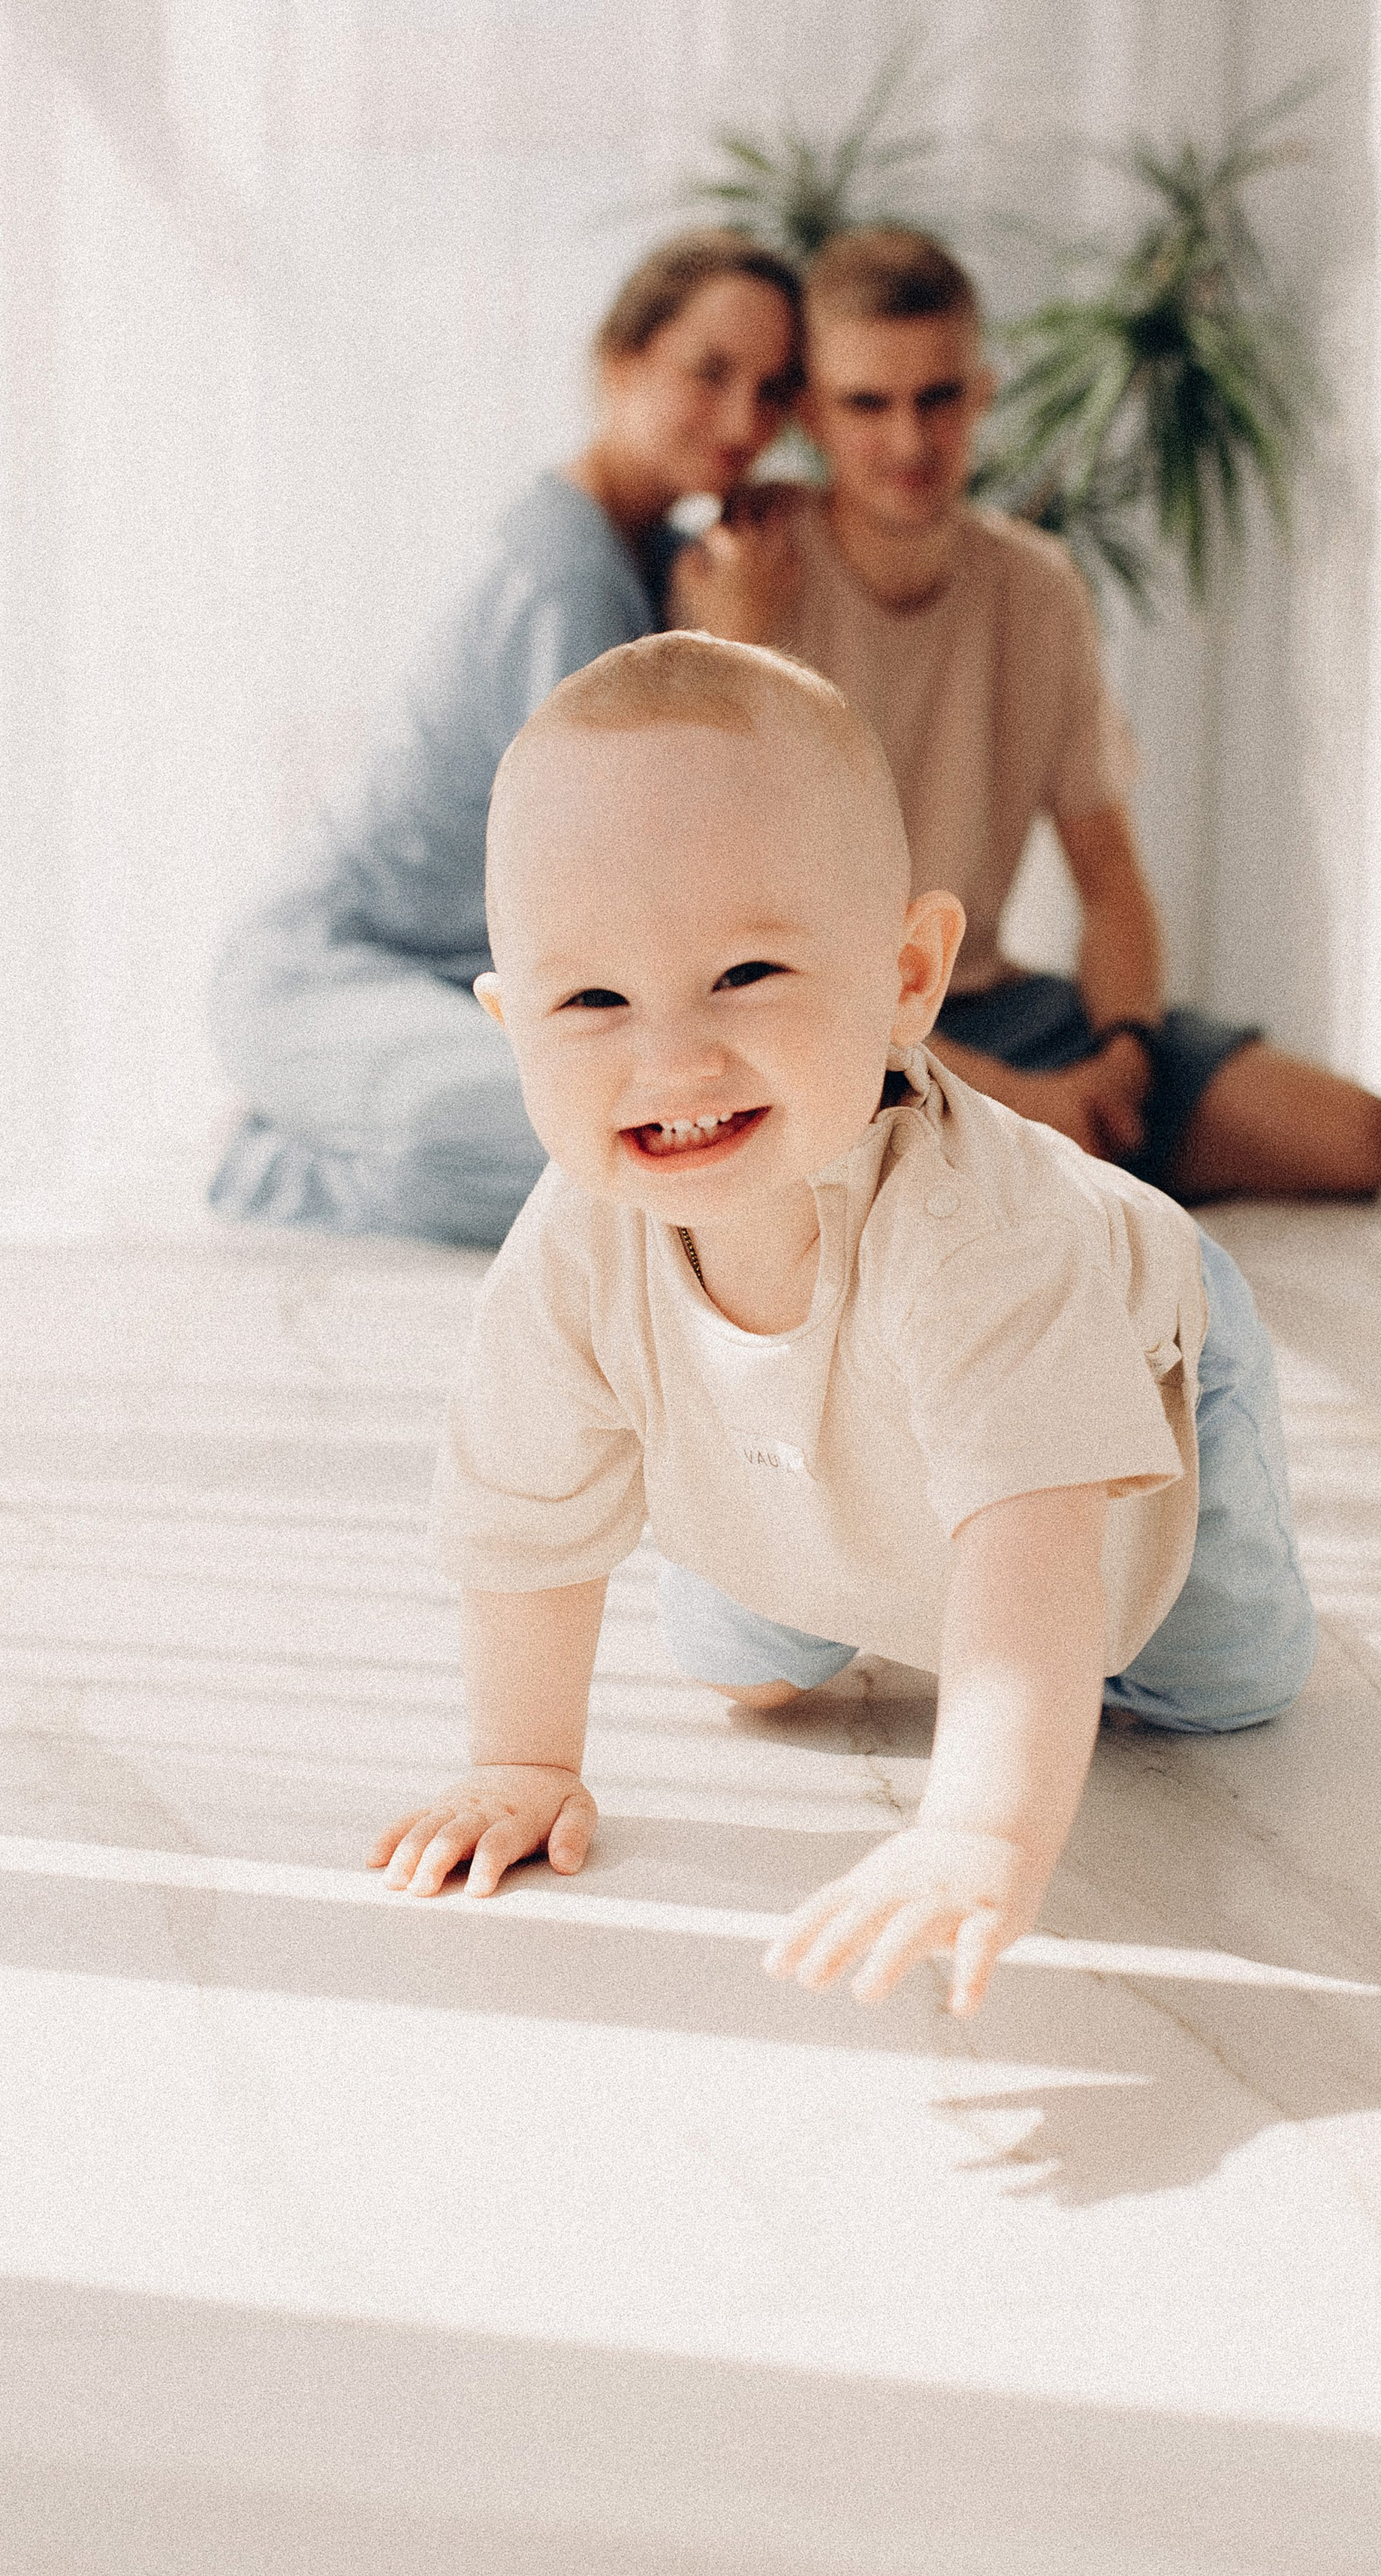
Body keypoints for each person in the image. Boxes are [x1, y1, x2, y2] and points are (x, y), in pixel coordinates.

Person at [372, 632, 1315, 2018]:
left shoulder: (977, 1236)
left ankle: (1155, 1569)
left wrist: (977, 1831)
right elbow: (524, 1516)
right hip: (822, 1445)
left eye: (747, 973)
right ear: (515, 1026)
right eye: (593, 1001)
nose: (671, 1058)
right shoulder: (571, 1246)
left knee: (1199, 1682)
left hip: (1144, 1357)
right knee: (742, 1665)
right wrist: (523, 1760)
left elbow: (1034, 1555)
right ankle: (837, 1565)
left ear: (908, 977)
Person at [671, 225, 1381, 1203]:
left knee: (1363, 1142)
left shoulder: (1037, 587)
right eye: (868, 404)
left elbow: (1108, 874)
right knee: (868, 1123)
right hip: (833, 1027)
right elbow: (727, 928)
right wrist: (1018, 1098)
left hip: (992, 1005)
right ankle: (1013, 1148)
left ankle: (1026, 1153)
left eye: (938, 397)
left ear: (983, 391)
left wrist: (1123, 1053)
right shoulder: (745, 576)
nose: (909, 440)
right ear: (811, 413)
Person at [207, 230, 804, 1244]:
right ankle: (270, 1168)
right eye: (709, 372)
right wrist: (733, 648)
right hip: (327, 970)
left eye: (774, 387)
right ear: (624, 360)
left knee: (687, 1144)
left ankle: (357, 1111)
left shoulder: (659, 552)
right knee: (600, 1156)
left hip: (444, 994)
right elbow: (641, 876)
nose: (745, 419)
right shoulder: (570, 576)